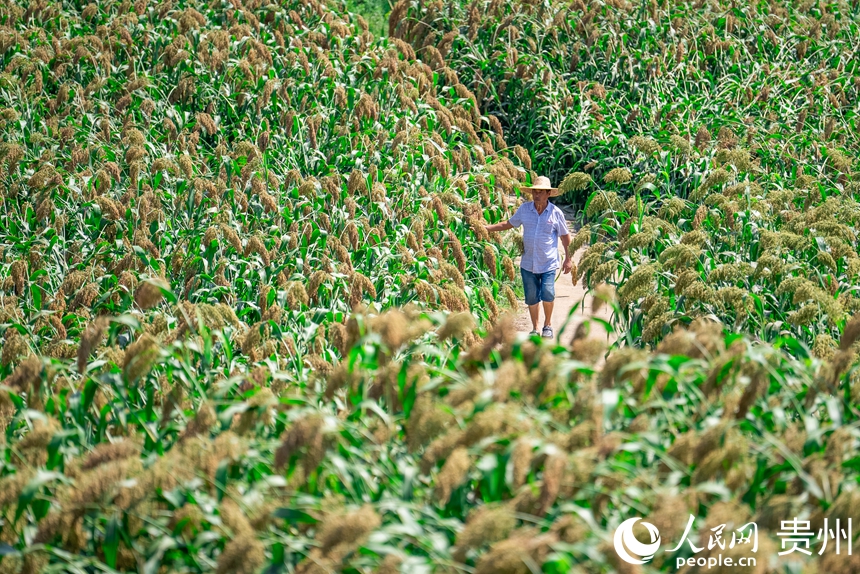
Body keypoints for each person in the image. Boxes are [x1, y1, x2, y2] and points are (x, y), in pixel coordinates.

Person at [485, 176, 571, 338]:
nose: (536, 195)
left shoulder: (555, 213)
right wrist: (487, 228)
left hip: (548, 263)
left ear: (548, 194)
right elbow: (508, 224)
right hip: (528, 263)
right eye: (534, 192)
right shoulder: (525, 210)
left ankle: (548, 325)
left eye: (540, 192)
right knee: (532, 297)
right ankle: (536, 328)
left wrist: (568, 258)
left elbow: (565, 237)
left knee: (547, 293)